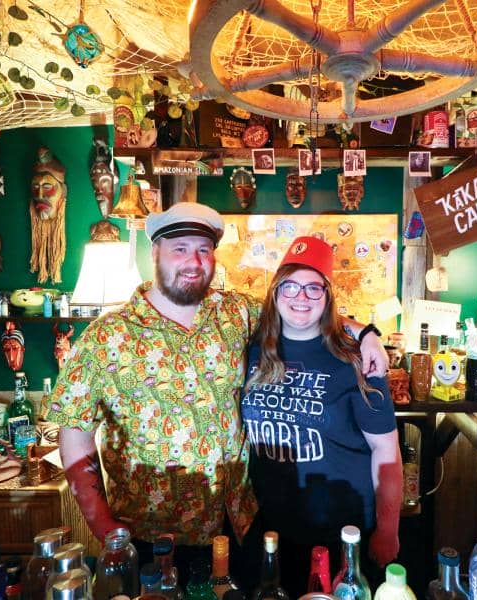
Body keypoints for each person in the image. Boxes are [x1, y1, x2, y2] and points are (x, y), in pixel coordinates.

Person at [41, 203, 388, 573]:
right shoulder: (105, 337)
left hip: (239, 524)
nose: (193, 261)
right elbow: (75, 431)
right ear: (155, 253)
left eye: (204, 250)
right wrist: (102, 524)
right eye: (180, 249)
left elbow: (300, 306)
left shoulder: (235, 312)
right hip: (154, 536)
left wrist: (365, 333)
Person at [241, 236, 402, 594]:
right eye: (291, 287)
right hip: (269, 530)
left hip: (341, 533)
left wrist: (388, 529)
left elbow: (386, 452)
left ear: (328, 297)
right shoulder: (251, 350)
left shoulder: (357, 360)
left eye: (314, 288)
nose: (301, 298)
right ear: (275, 292)